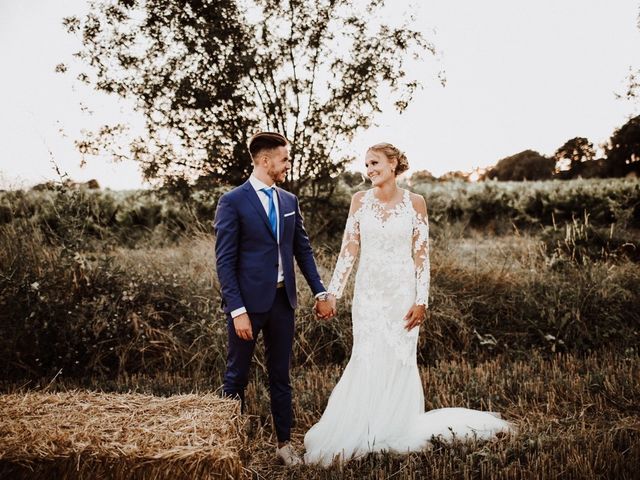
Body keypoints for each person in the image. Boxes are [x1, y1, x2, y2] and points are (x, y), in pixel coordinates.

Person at [304, 143, 516, 466]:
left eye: (374, 162)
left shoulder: (416, 203)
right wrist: (332, 293)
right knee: (366, 357)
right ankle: (364, 427)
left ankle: (393, 427)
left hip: (401, 296)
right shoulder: (358, 201)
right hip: (369, 296)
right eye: (366, 164)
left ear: (393, 164)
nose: (369, 169)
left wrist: (421, 300)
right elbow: (349, 251)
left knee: (399, 360)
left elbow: (421, 256)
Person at [214, 132, 335, 466]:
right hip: (247, 308)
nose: (287, 164)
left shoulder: (288, 201)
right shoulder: (233, 201)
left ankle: (283, 444)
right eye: (284, 159)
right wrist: (236, 310)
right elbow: (224, 262)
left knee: (280, 377)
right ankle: (228, 449)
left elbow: (303, 251)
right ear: (265, 161)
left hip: (284, 304)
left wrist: (320, 291)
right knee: (236, 377)